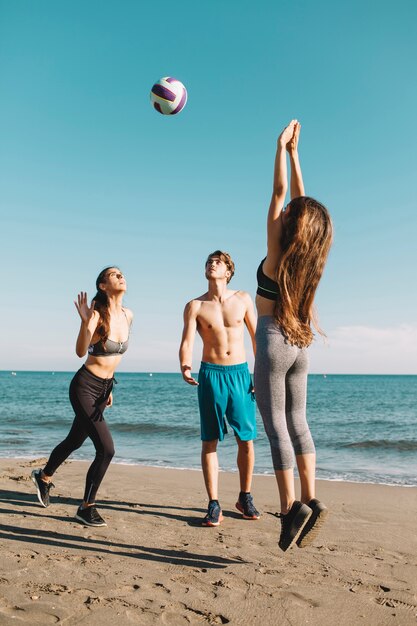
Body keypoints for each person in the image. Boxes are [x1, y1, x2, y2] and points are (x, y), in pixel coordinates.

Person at [254, 120, 333, 551]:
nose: (283, 213)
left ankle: (289, 511)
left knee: (276, 429)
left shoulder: (275, 250)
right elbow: (300, 204)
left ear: (291, 225)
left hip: (271, 338)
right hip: (300, 343)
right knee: (299, 424)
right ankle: (311, 498)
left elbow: (281, 196)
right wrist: (296, 154)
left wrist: (278, 148)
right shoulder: (307, 259)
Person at [31, 267, 133, 527]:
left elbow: (115, 358)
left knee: (75, 440)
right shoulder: (97, 315)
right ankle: (86, 507)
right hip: (84, 386)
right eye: (114, 274)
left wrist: (110, 389)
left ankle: (43, 476)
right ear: (102, 285)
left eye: (122, 273)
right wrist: (85, 322)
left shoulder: (128, 315)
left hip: (103, 389)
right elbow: (79, 351)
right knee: (106, 449)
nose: (121, 276)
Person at [179, 251, 259, 527]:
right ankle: (213, 504)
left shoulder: (243, 299)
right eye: (209, 262)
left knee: (245, 439)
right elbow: (187, 340)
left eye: (218, 262)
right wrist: (185, 365)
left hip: (240, 373)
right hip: (211, 374)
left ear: (228, 271)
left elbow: (256, 337)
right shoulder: (195, 306)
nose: (212, 264)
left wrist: (260, 372)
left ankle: (245, 496)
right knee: (210, 440)